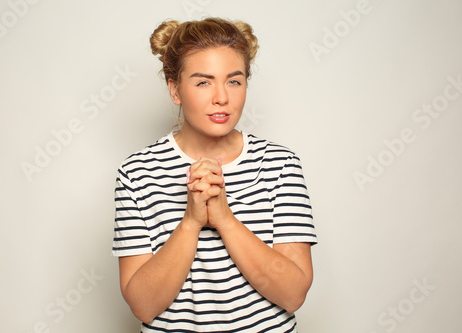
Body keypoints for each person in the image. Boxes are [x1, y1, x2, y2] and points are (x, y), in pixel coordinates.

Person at [112, 17, 317, 332]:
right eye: (203, 81)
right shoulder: (136, 173)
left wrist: (225, 219)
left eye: (234, 81)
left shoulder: (280, 165)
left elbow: (293, 294)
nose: (221, 97)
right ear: (175, 89)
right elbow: (143, 306)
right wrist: (192, 222)